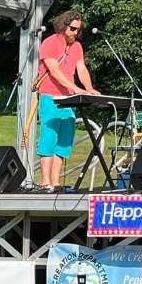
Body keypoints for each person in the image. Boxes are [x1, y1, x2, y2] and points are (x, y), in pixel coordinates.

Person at [35, 10, 99, 192]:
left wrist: (88, 88)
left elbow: (82, 69)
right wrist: (76, 88)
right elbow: (55, 71)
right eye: (73, 29)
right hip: (51, 96)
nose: (76, 33)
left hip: (69, 100)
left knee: (64, 141)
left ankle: (56, 182)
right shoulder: (50, 43)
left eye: (78, 29)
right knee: (49, 138)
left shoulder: (77, 47)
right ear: (63, 26)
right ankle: (45, 182)